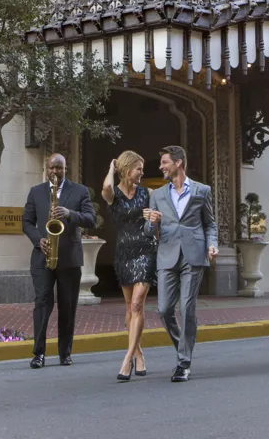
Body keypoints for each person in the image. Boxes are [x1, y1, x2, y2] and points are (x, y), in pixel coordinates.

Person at [143, 145, 218, 382]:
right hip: (166, 255)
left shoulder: (201, 190)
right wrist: (151, 222)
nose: (161, 167)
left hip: (193, 255)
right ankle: (183, 347)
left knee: (187, 308)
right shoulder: (156, 195)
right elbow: (148, 231)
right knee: (164, 309)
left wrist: (212, 244)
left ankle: (183, 362)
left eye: (164, 162)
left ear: (178, 163)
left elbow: (210, 224)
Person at [22, 153, 96, 369]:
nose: (55, 172)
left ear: (66, 168)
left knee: (68, 306)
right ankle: (39, 354)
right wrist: (39, 240)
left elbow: (91, 218)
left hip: (70, 258)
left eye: (59, 168)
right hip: (42, 257)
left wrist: (70, 213)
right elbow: (26, 222)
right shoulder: (36, 192)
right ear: (46, 168)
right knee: (42, 303)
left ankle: (65, 353)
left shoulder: (80, 191)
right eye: (52, 168)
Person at [101, 150, 157, 382]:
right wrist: (111, 168)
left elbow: (157, 220)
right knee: (129, 308)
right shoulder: (114, 195)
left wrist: (153, 217)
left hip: (145, 250)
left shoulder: (148, 193)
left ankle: (127, 359)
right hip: (124, 253)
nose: (141, 173)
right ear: (126, 170)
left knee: (137, 304)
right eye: (138, 169)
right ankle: (139, 353)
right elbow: (106, 188)